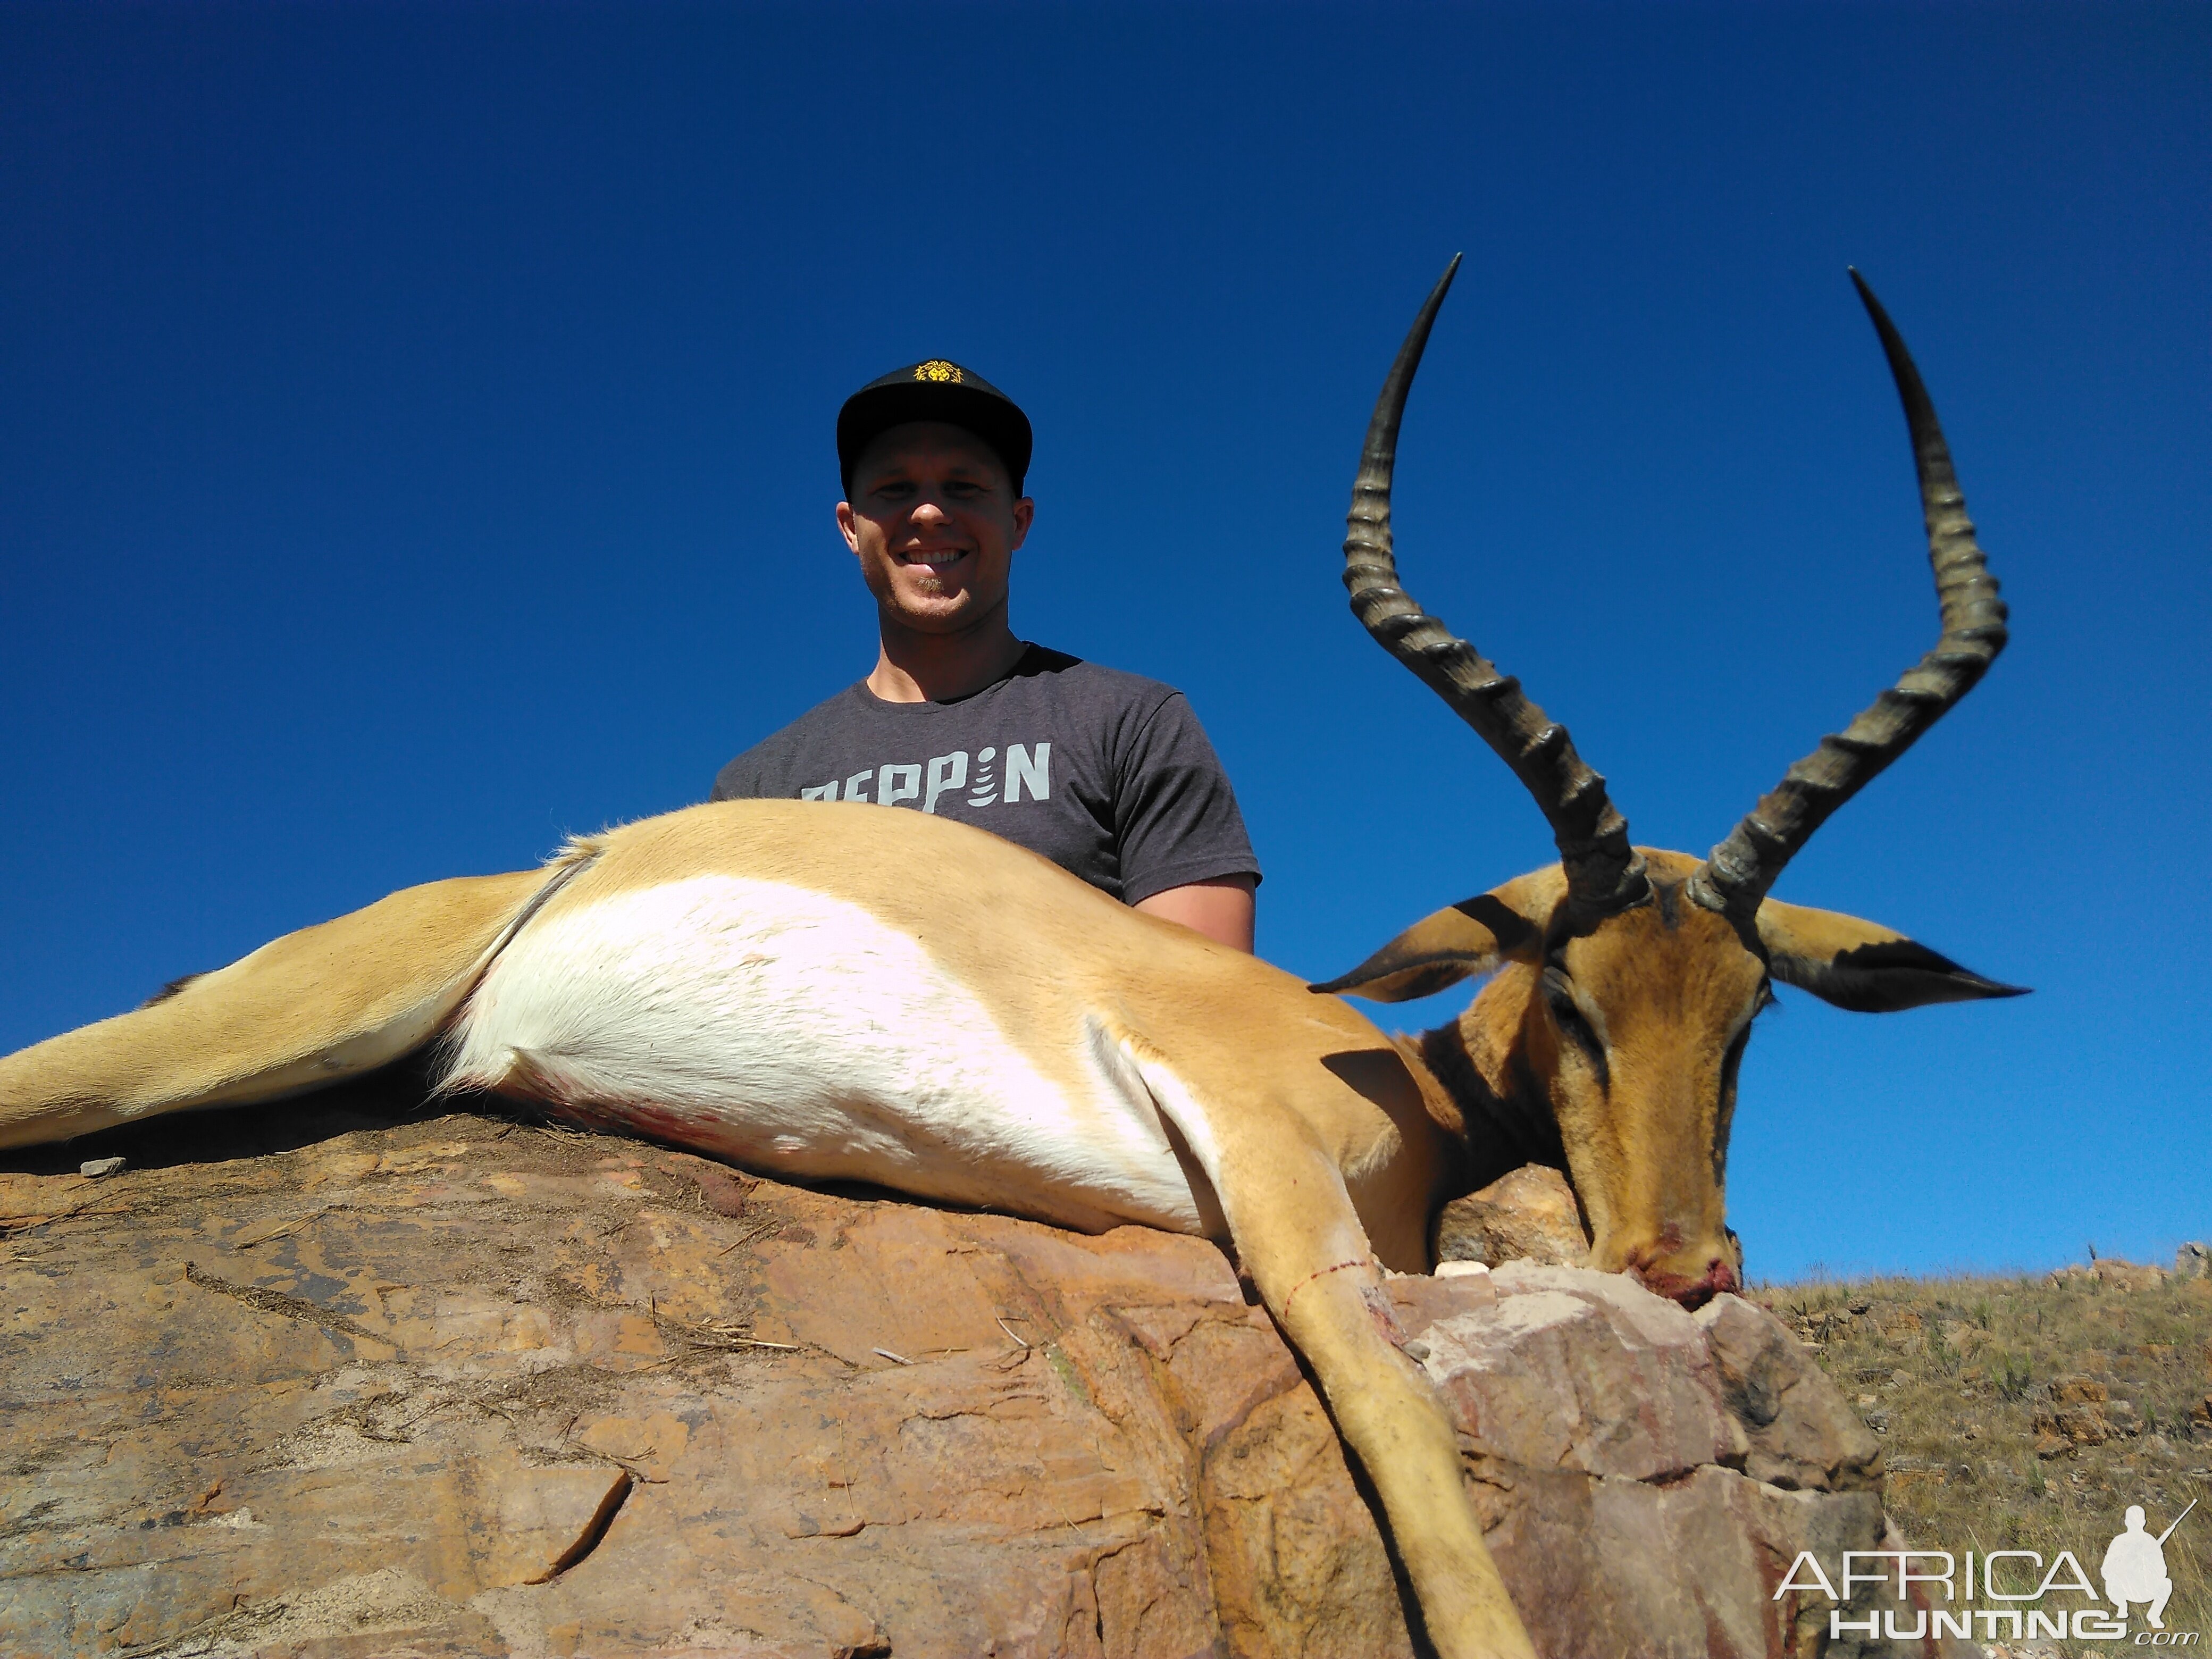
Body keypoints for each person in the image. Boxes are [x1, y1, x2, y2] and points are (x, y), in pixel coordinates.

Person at [711, 359, 1261, 951]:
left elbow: (1201, 997)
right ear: (849, 527)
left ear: (1018, 520)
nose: (928, 511)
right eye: (895, 488)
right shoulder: (754, 791)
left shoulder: (1133, 725)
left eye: (964, 487)